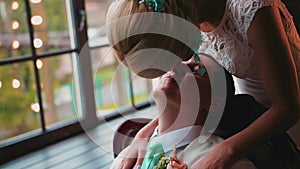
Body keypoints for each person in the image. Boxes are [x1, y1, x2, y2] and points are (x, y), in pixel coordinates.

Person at [106, 0, 300, 168]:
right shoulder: (184, 13)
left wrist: (225, 152)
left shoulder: (251, 8)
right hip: (246, 112)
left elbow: (288, 108)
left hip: (286, 121)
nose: (178, 66)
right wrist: (144, 134)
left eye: (171, 61)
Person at [111, 57, 257, 169]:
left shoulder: (229, 164)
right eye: (181, 60)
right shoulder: (127, 157)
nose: (177, 64)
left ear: (214, 103)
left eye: (196, 70)